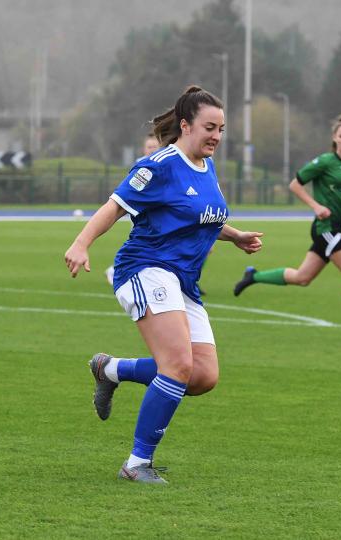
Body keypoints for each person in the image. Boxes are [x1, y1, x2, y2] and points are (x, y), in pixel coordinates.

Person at [64, 86, 263, 484]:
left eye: (222, 129)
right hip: (146, 269)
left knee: (202, 375)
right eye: (210, 127)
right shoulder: (158, 165)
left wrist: (235, 235)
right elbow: (115, 206)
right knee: (177, 365)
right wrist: (81, 243)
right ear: (185, 125)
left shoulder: (206, 167)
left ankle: (111, 370)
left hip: (183, 281)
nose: (217, 137)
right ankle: (137, 464)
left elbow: (200, 217)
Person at [232, 113, 341, 342]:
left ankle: (253, 276)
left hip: (336, 229)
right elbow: (295, 185)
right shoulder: (325, 162)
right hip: (325, 228)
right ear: (335, 138)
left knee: (302, 277)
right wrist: (315, 206)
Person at [105, 133, 161, 287]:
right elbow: (130, 192)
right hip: (142, 214)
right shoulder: (142, 166)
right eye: (149, 147)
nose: (152, 150)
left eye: (155, 147)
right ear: (144, 149)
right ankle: (116, 270)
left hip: (157, 215)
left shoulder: (163, 163)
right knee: (141, 244)